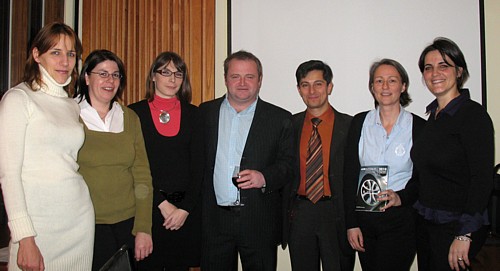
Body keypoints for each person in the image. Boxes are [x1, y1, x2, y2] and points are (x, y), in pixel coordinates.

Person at [383, 37, 494, 271]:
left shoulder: (473, 116)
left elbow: (481, 180)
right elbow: (424, 176)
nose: (435, 73)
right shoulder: (433, 117)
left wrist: (464, 234)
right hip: (427, 225)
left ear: (459, 71)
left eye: (444, 65)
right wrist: (400, 197)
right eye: (428, 67)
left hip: (456, 228)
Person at [0, 22, 94, 270]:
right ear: (36, 54)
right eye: (56, 52)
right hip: (38, 228)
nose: (65, 61)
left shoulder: (72, 104)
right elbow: (9, 176)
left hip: (78, 222)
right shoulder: (18, 99)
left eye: (71, 54)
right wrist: (25, 237)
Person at [198, 50, 294, 271]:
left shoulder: (279, 118)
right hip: (215, 222)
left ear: (259, 80)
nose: (242, 83)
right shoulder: (205, 113)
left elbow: (289, 165)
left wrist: (264, 177)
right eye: (235, 76)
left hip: (259, 221)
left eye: (249, 76)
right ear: (225, 79)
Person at [74, 49, 154, 270]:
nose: (110, 80)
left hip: (128, 224)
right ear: (87, 77)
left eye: (116, 75)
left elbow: (142, 176)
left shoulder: (129, 117)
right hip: (85, 225)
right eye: (103, 73)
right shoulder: (70, 115)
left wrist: (143, 228)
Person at [343, 59, 425, 271]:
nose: (385, 87)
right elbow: (349, 175)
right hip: (365, 220)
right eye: (379, 81)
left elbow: (423, 179)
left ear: (403, 86)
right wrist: (351, 224)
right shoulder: (359, 123)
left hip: (401, 221)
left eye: (392, 80)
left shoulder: (419, 127)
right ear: (372, 87)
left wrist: (401, 197)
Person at [128, 51, 202, 270]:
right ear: (153, 76)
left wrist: (185, 209)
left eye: (178, 74)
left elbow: (200, 167)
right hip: (147, 210)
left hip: (185, 214)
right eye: (165, 72)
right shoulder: (134, 113)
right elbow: (133, 167)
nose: (172, 79)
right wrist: (161, 203)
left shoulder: (194, 114)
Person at [282, 60, 354, 271]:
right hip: (300, 213)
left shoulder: (350, 126)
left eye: (318, 84)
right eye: (305, 85)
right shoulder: (289, 125)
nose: (312, 91)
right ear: (298, 90)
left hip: (336, 213)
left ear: (329, 87)